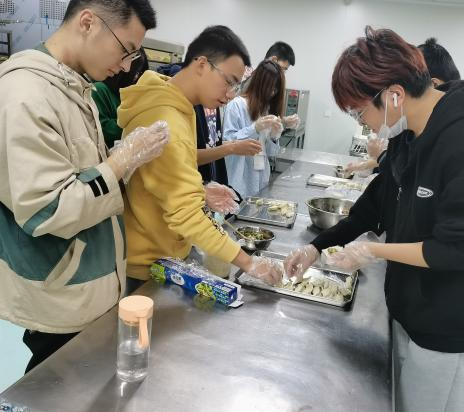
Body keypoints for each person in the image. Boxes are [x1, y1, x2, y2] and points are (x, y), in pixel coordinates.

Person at [284, 26, 464, 412]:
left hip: (452, 326)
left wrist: (374, 251)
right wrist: (316, 247)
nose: (364, 124)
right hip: (411, 308)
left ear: (394, 95)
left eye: (360, 112)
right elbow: (374, 205)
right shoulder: (408, 136)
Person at [0, 0, 168, 373]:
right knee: (55, 381)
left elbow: (84, 173)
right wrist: (122, 161)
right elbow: (48, 209)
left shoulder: (74, 86)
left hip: (91, 284)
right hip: (60, 292)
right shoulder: (26, 92)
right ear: (88, 22)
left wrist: (123, 159)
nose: (126, 66)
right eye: (125, 50)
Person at [117, 25, 283, 287]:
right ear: (202, 64)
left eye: (236, 85)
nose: (230, 95)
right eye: (229, 82)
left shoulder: (176, 103)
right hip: (149, 264)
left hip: (162, 251)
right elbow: (186, 214)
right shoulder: (167, 118)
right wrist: (249, 263)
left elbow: (167, 164)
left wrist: (200, 189)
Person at [346, 37, 461, 175]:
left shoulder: (458, 140)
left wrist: (378, 156)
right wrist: (365, 164)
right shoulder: (408, 131)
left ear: (433, 84)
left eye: (359, 113)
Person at [223, 60, 285, 198]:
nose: (272, 93)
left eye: (276, 89)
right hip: (239, 180)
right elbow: (227, 142)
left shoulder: (265, 109)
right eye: (270, 87)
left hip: (260, 178)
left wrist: (274, 137)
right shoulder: (237, 105)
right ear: (259, 83)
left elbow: (269, 153)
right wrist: (254, 128)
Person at [92, 46, 149, 148]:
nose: (137, 77)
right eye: (136, 72)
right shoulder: (99, 89)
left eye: (140, 73)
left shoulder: (130, 93)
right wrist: (136, 123)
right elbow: (100, 127)